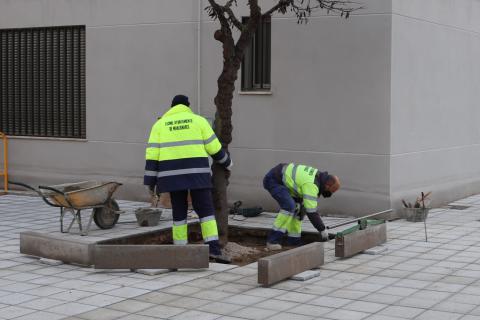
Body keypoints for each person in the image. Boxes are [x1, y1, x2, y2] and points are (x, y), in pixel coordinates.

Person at [144, 94, 232, 261]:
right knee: (206, 212)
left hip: (172, 178)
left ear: (171, 107)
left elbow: (152, 155)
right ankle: (213, 249)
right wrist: (227, 162)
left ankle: (180, 249)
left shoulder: (159, 124)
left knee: (179, 213)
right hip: (197, 175)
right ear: (187, 106)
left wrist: (150, 181)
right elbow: (214, 148)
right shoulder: (199, 121)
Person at [263, 163, 340, 250]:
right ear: (327, 185)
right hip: (274, 180)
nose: (327, 194)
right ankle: (273, 241)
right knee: (289, 207)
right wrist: (322, 229)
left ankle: (294, 241)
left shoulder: (319, 177)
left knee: (299, 210)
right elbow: (312, 212)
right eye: (329, 191)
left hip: (286, 182)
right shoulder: (312, 185)